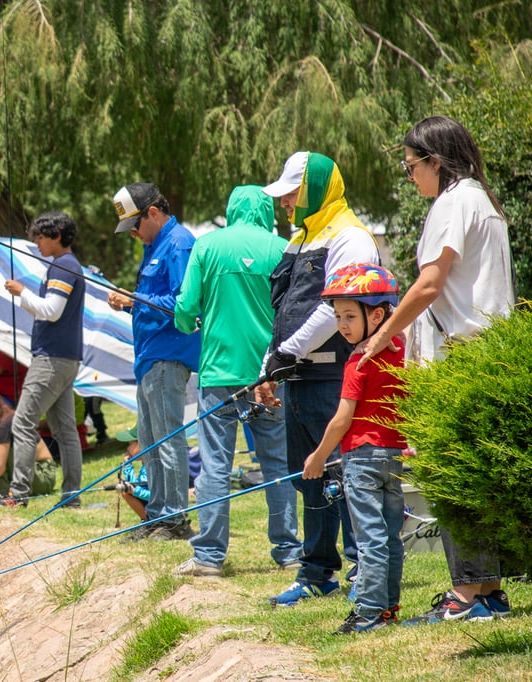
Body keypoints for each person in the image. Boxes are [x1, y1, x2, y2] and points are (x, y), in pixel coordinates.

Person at [360, 116, 515, 624]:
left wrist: (381, 336)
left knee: (450, 477)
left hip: (458, 360)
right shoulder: (483, 202)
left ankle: (467, 594)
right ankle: (488, 591)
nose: (410, 177)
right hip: (485, 355)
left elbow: (430, 284)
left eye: (411, 167)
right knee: (473, 478)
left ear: (435, 161)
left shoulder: (451, 203)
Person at [256, 151, 378, 606]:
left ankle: (363, 568)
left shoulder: (351, 238)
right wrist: (268, 365)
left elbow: (337, 309)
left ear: (316, 190)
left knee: (345, 477)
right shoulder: (298, 240)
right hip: (297, 378)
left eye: (293, 193)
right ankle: (317, 571)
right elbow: (283, 313)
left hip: (335, 379)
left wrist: (290, 351)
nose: (286, 202)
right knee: (309, 477)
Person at [172, 185, 302, 577]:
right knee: (278, 464)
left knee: (214, 465)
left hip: (218, 375)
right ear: (267, 211)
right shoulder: (284, 249)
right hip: (271, 377)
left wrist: (187, 321)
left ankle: (209, 556)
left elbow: (185, 307)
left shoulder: (208, 246)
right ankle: (289, 551)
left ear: (230, 209)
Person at [301, 263, 407, 633]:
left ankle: (369, 612)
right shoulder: (399, 350)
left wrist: (317, 457)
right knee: (390, 536)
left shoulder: (357, 360)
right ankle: (389, 608)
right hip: (393, 455)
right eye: (337, 316)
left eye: (349, 315)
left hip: (361, 459)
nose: (342, 325)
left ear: (376, 314)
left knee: (370, 539)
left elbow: (342, 419)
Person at [107, 183, 200, 541]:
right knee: (149, 439)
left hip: (167, 355)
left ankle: (175, 520)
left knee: (168, 438)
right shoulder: (154, 244)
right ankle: (157, 517)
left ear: (153, 213)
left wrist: (133, 300)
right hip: (148, 356)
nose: (132, 233)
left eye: (135, 225)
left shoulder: (178, 243)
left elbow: (181, 302)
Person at [0, 210, 85, 508]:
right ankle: (71, 496)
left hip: (51, 360)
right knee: (66, 431)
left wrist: (21, 293)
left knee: (21, 423)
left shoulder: (62, 267)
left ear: (57, 237)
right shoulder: (68, 266)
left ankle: (18, 494)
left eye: (41, 238)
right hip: (66, 358)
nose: (37, 244)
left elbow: (52, 310)